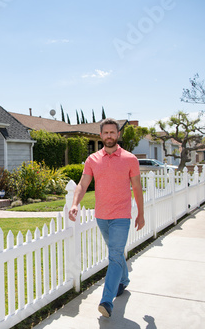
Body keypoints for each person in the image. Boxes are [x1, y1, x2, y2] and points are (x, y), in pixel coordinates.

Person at [68, 118, 145, 318]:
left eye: (113, 132)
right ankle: (123, 280)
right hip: (101, 216)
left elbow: (137, 187)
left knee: (114, 254)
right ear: (101, 135)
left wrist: (141, 214)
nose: (109, 136)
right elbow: (82, 184)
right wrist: (75, 203)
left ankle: (106, 301)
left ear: (118, 135)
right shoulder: (92, 159)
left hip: (121, 216)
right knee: (116, 255)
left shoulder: (130, 159)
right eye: (106, 132)